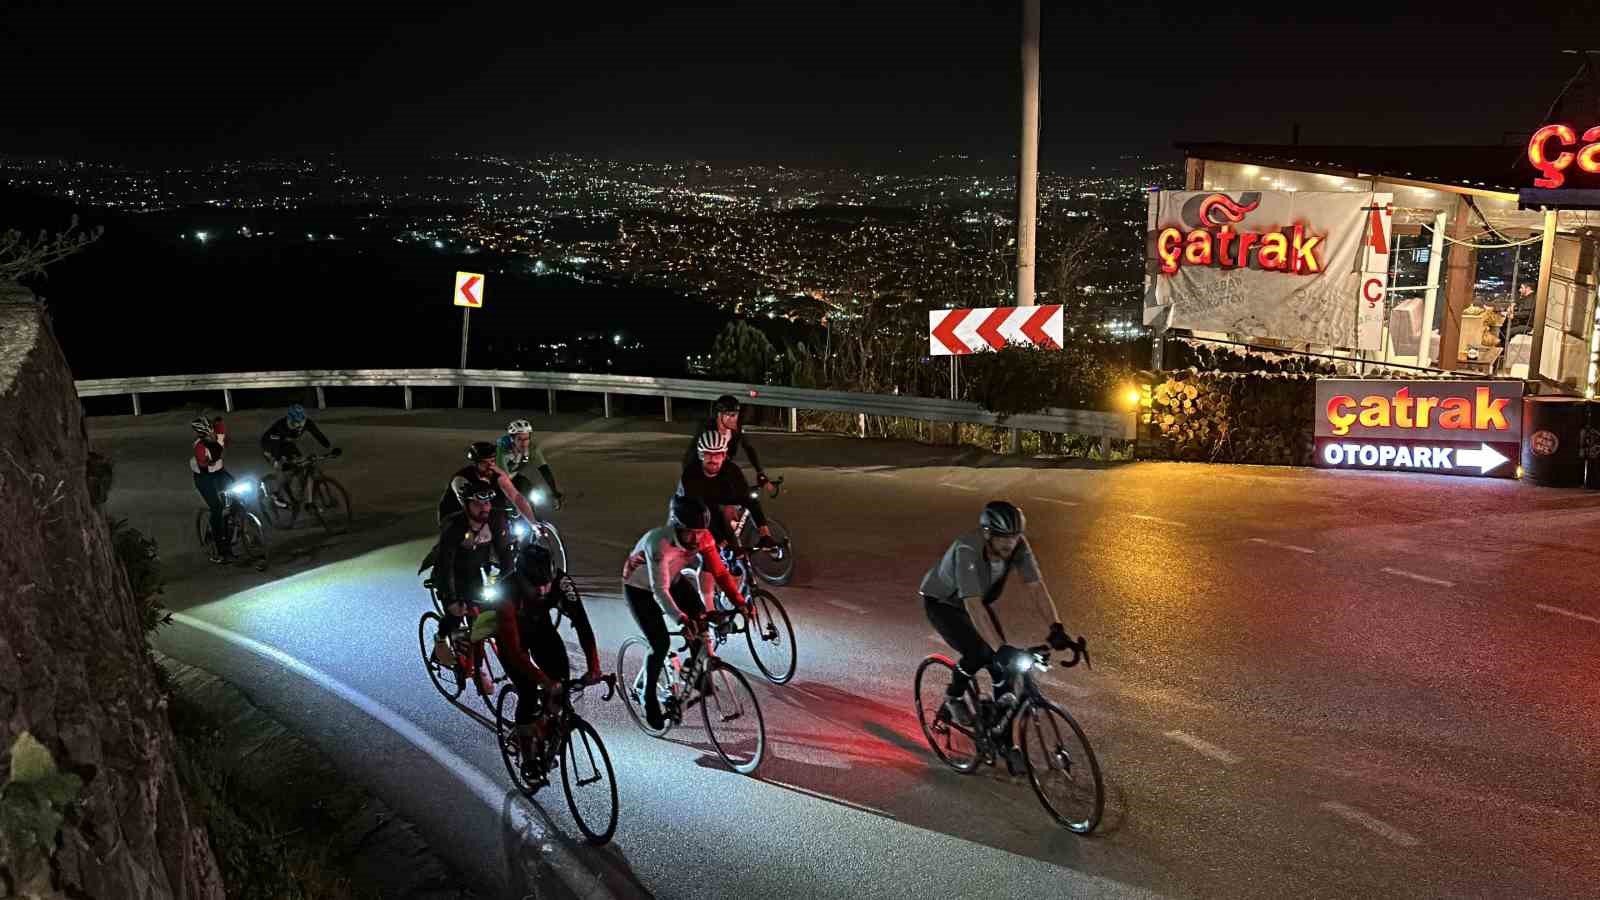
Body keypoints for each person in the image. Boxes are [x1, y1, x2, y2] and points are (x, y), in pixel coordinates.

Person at [920, 501, 1071, 773]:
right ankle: (954, 697)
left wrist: (1056, 627)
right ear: (988, 533)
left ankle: (1005, 743)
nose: (1010, 544)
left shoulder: (1019, 547)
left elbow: (1036, 587)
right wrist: (999, 648)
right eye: (1003, 538)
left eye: (1014, 537)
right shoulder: (968, 549)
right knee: (980, 653)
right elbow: (974, 605)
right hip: (943, 604)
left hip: (976, 602)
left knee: (1006, 667)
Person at [621, 495, 750, 729]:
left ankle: (695, 670)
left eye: (700, 532)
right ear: (676, 527)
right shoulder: (658, 543)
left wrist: (739, 601)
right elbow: (660, 591)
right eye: (690, 532)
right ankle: (648, 696)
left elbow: (720, 573)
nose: (696, 539)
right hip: (640, 589)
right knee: (659, 644)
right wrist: (681, 620)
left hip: (674, 580)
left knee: (700, 618)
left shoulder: (704, 537)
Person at [494, 542, 603, 781]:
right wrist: (543, 680)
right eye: (536, 586)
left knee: (561, 682)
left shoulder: (561, 583)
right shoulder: (506, 592)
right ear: (523, 580)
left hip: (540, 628)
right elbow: (515, 652)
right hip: (512, 639)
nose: (543, 591)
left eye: (547, 584)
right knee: (528, 691)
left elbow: (583, 626)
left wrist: (594, 666)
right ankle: (528, 756)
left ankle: (545, 723)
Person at [425, 477, 515, 696]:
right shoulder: (454, 526)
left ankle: (480, 655)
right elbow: (445, 564)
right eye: (478, 504)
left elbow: (506, 556)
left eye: (487, 504)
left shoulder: (496, 519)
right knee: (457, 614)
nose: (485, 508)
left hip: (475, 574)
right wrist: (453, 599)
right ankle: (441, 641)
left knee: (489, 614)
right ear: (466, 505)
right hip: (451, 575)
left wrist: (508, 581)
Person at [675, 429, 777, 551]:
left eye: (717, 454)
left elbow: (748, 500)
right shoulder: (691, 474)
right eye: (708, 454)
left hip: (719, 495)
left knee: (742, 504)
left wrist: (765, 534)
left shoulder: (732, 470)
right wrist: (722, 541)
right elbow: (701, 512)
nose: (713, 459)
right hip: (692, 503)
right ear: (701, 455)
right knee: (697, 528)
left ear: (724, 455)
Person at [437, 441, 538, 527]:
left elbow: (515, 496)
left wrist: (534, 524)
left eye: (492, 461)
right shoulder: (461, 479)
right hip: (455, 513)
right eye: (485, 463)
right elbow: (468, 509)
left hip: (482, 508)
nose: (490, 466)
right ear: (476, 464)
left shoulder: (496, 473)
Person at [260, 403, 336, 509]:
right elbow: (276, 447)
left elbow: (318, 435)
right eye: (295, 423)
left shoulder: (306, 423)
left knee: (305, 467)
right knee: (285, 469)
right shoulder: (281, 426)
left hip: (286, 444)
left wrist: (330, 448)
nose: (298, 425)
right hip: (270, 445)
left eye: (301, 422)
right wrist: (278, 461)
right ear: (289, 419)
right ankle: (276, 494)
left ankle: (310, 503)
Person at [680, 394, 767, 486]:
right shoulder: (708, 430)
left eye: (736, 414)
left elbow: (748, 448)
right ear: (719, 414)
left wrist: (759, 472)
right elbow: (695, 457)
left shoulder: (735, 428)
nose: (733, 419)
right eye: (729, 415)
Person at [190, 415, 235, 561]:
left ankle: (241, 523)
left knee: (238, 492)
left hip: (219, 472)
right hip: (204, 477)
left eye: (212, 433)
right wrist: (211, 460)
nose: (212, 436)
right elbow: (205, 467)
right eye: (208, 435)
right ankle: (221, 551)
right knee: (217, 508)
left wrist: (218, 421)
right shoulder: (199, 447)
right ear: (202, 436)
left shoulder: (219, 434)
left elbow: (221, 425)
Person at [497, 419, 563, 508]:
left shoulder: (532, 448)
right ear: (512, 439)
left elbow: (544, 470)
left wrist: (554, 492)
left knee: (530, 493)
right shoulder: (502, 450)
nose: (524, 443)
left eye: (526, 439)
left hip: (513, 476)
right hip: (498, 479)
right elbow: (504, 477)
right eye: (519, 439)